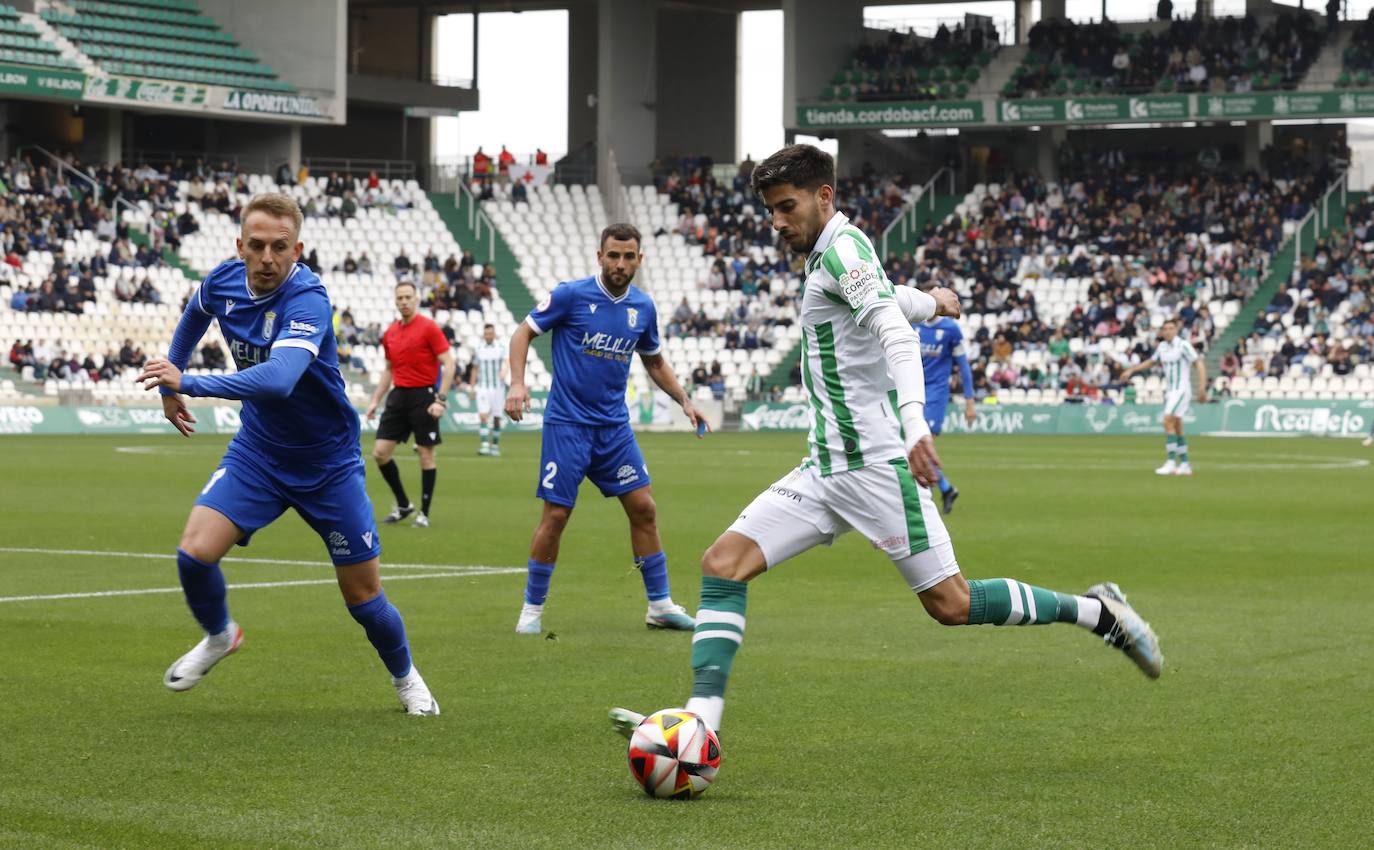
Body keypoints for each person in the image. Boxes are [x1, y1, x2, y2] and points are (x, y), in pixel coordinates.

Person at [608, 145, 1161, 740]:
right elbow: (881, 301)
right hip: (823, 469)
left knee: (951, 604)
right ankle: (699, 727)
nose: (776, 222)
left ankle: (1098, 611)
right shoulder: (832, 252)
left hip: (875, 467)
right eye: (770, 210)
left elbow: (892, 332)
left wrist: (917, 423)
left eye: (786, 207)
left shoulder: (843, 247)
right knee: (722, 565)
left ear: (825, 197)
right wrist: (931, 301)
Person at [137, 192, 439, 715]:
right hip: (259, 453)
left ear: (297, 250)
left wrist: (188, 380)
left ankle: (406, 677)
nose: (268, 258)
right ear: (240, 246)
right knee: (194, 553)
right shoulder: (223, 280)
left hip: (327, 464)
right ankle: (219, 634)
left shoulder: (309, 299)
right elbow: (195, 311)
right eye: (257, 246)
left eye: (281, 247)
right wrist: (169, 383)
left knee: (364, 599)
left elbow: (278, 380)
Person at [505, 223, 706, 635]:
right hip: (568, 425)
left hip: (613, 429)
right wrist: (517, 382)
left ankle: (660, 605)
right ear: (600, 256)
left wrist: (684, 399)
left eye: (628, 256)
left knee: (644, 509)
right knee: (557, 514)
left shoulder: (643, 308)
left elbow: (653, 361)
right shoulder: (571, 295)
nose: (620, 263)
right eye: (613, 255)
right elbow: (523, 332)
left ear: (639, 259)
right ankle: (531, 610)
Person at [366, 281, 456, 528]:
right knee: (380, 453)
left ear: (416, 299)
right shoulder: (390, 333)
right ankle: (404, 504)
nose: (404, 301)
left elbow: (449, 364)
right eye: (400, 298)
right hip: (398, 396)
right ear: (395, 302)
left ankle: (424, 513)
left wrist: (441, 400)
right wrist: (375, 400)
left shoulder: (429, 328)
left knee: (426, 455)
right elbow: (388, 370)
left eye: (408, 297)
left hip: (424, 397)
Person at [1121, 319, 1205, 476]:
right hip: (1170, 390)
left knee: (1167, 419)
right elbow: (1151, 362)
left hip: (1181, 389)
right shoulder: (1162, 347)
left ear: (1176, 330)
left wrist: (1201, 387)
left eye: (1171, 328)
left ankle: (1171, 462)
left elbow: (1198, 363)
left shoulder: (1183, 345)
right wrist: (1132, 370)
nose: (1167, 331)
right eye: (1165, 329)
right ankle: (1185, 464)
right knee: (1177, 425)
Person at [916, 310, 976, 513]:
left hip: (936, 395)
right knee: (911, 447)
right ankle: (946, 489)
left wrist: (969, 400)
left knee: (922, 446)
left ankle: (927, 497)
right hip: (913, 392)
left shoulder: (950, 329)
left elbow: (963, 365)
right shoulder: (914, 323)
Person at [469, 323, 508, 457]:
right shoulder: (479, 348)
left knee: (497, 418)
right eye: (486, 334)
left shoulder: (501, 348)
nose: (488, 336)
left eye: (490, 333)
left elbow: (507, 361)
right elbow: (475, 368)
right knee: (483, 416)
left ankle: (495, 445)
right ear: (483, 335)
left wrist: (504, 371)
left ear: (494, 334)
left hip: (498, 388)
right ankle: (485, 445)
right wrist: (472, 387)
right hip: (483, 387)